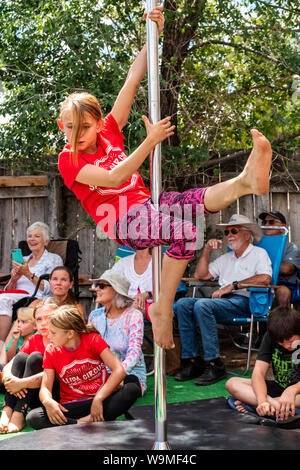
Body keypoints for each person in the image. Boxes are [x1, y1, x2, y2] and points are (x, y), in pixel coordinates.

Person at [57, 6, 272, 350]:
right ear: (61, 126)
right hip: (122, 219)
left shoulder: (111, 129)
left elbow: (133, 78)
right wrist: (150, 140)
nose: (78, 133)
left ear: (99, 122)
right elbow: (114, 178)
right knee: (186, 235)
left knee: (193, 202)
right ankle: (162, 309)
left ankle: (246, 182)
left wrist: (151, 36)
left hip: (146, 203)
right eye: (70, 127)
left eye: (85, 127)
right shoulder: (68, 158)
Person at [174, 214, 272, 386]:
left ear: (248, 235)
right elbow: (201, 275)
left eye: (234, 230)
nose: (229, 235)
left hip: (244, 302)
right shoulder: (226, 258)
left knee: (203, 305)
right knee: (183, 304)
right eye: (227, 232)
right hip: (221, 303)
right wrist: (207, 250)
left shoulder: (259, 254)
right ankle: (192, 361)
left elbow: (265, 278)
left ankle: (214, 364)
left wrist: (233, 286)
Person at [26, 304, 139, 429]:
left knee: (132, 386)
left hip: (101, 400)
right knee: (34, 417)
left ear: (70, 333)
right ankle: (82, 423)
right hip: (73, 405)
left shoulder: (92, 340)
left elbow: (119, 370)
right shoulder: (51, 351)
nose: (49, 336)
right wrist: (48, 401)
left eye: (53, 332)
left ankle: (83, 422)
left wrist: (99, 398)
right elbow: (45, 387)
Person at [226, 306, 300, 422]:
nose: (287, 346)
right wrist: (262, 401)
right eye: (281, 343)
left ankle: (253, 405)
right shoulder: (270, 336)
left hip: (297, 393)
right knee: (232, 383)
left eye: (291, 342)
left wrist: (292, 390)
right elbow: (258, 372)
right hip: (279, 387)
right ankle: (276, 408)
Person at [0, 297, 58, 433]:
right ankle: (7, 410)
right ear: (35, 324)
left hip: (52, 392)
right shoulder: (34, 339)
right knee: (21, 357)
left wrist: (22, 383)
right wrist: (10, 378)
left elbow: (55, 374)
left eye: (48, 318)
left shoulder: (60, 339)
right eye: (39, 319)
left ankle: (19, 412)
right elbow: (13, 363)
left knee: (35, 357)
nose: (43, 323)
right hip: (32, 394)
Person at [0, 221, 63, 344]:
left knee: (2, 300)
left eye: (37, 236)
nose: (32, 239)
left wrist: (28, 274)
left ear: (46, 241)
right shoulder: (24, 260)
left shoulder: (53, 259)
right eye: (29, 236)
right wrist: (14, 278)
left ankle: (1, 344)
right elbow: (9, 291)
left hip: (36, 298)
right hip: (17, 295)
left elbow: (51, 288)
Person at [88, 269, 147, 396]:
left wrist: (116, 376)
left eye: (101, 286)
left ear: (115, 290)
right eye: (96, 285)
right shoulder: (94, 316)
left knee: (128, 388)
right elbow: (89, 350)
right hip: (101, 374)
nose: (96, 289)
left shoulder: (134, 316)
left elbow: (134, 353)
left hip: (129, 374)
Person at [259, 211, 300, 306]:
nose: (267, 225)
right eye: (264, 222)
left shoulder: (290, 247)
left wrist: (259, 266)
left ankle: (277, 321)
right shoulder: (257, 246)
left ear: (283, 228)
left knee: (283, 293)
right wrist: (277, 268)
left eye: (271, 222)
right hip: (258, 284)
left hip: (281, 285)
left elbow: (287, 269)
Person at [112, 248, 152, 319]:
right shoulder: (123, 262)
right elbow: (109, 280)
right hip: (128, 304)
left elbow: (167, 290)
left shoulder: (159, 262)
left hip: (154, 304)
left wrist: (147, 294)